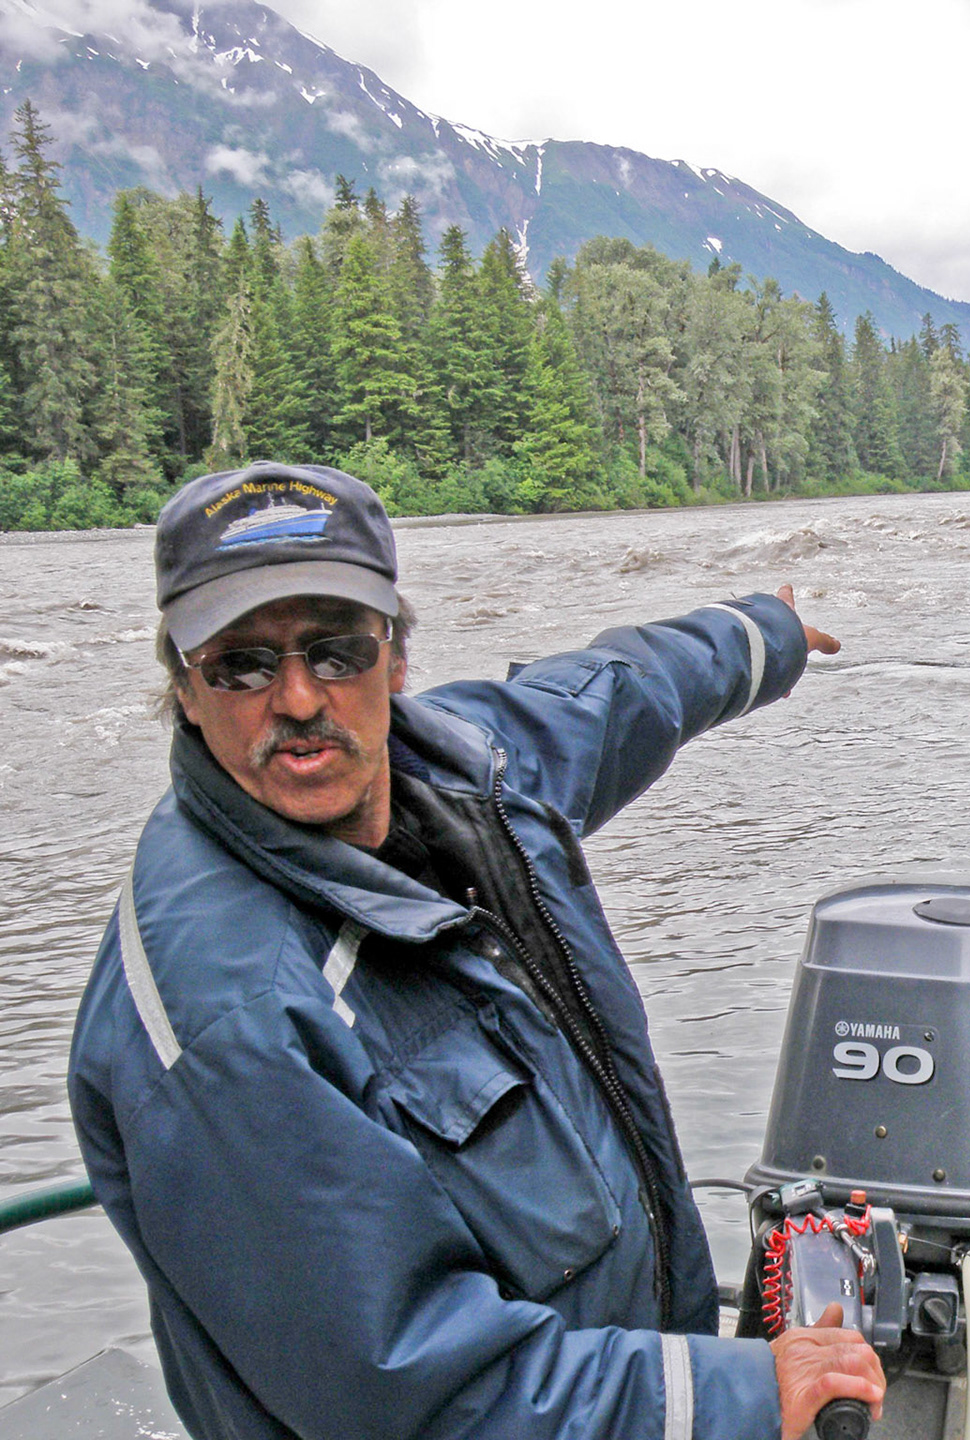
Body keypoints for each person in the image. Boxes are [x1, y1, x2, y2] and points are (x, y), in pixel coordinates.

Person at [67, 462, 886, 1440]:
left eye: (335, 650)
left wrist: (763, 636)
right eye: (242, 663)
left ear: (395, 656)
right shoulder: (229, 1016)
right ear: (186, 689)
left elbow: (615, 695)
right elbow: (408, 1395)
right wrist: (741, 1394)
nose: (295, 698)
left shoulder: (465, 760)